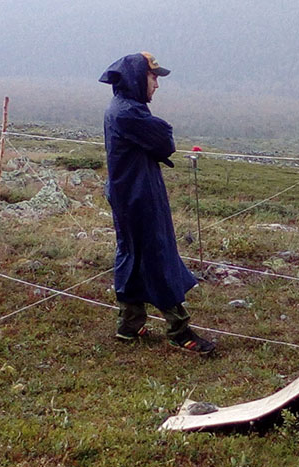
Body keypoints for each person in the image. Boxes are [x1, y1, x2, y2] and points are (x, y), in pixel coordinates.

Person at [99, 52, 215, 355]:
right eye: (153, 77)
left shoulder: (121, 108)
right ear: (138, 78)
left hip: (129, 193)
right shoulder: (129, 113)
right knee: (157, 255)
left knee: (131, 252)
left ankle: (130, 323)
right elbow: (165, 140)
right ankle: (179, 330)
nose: (157, 85)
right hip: (139, 195)